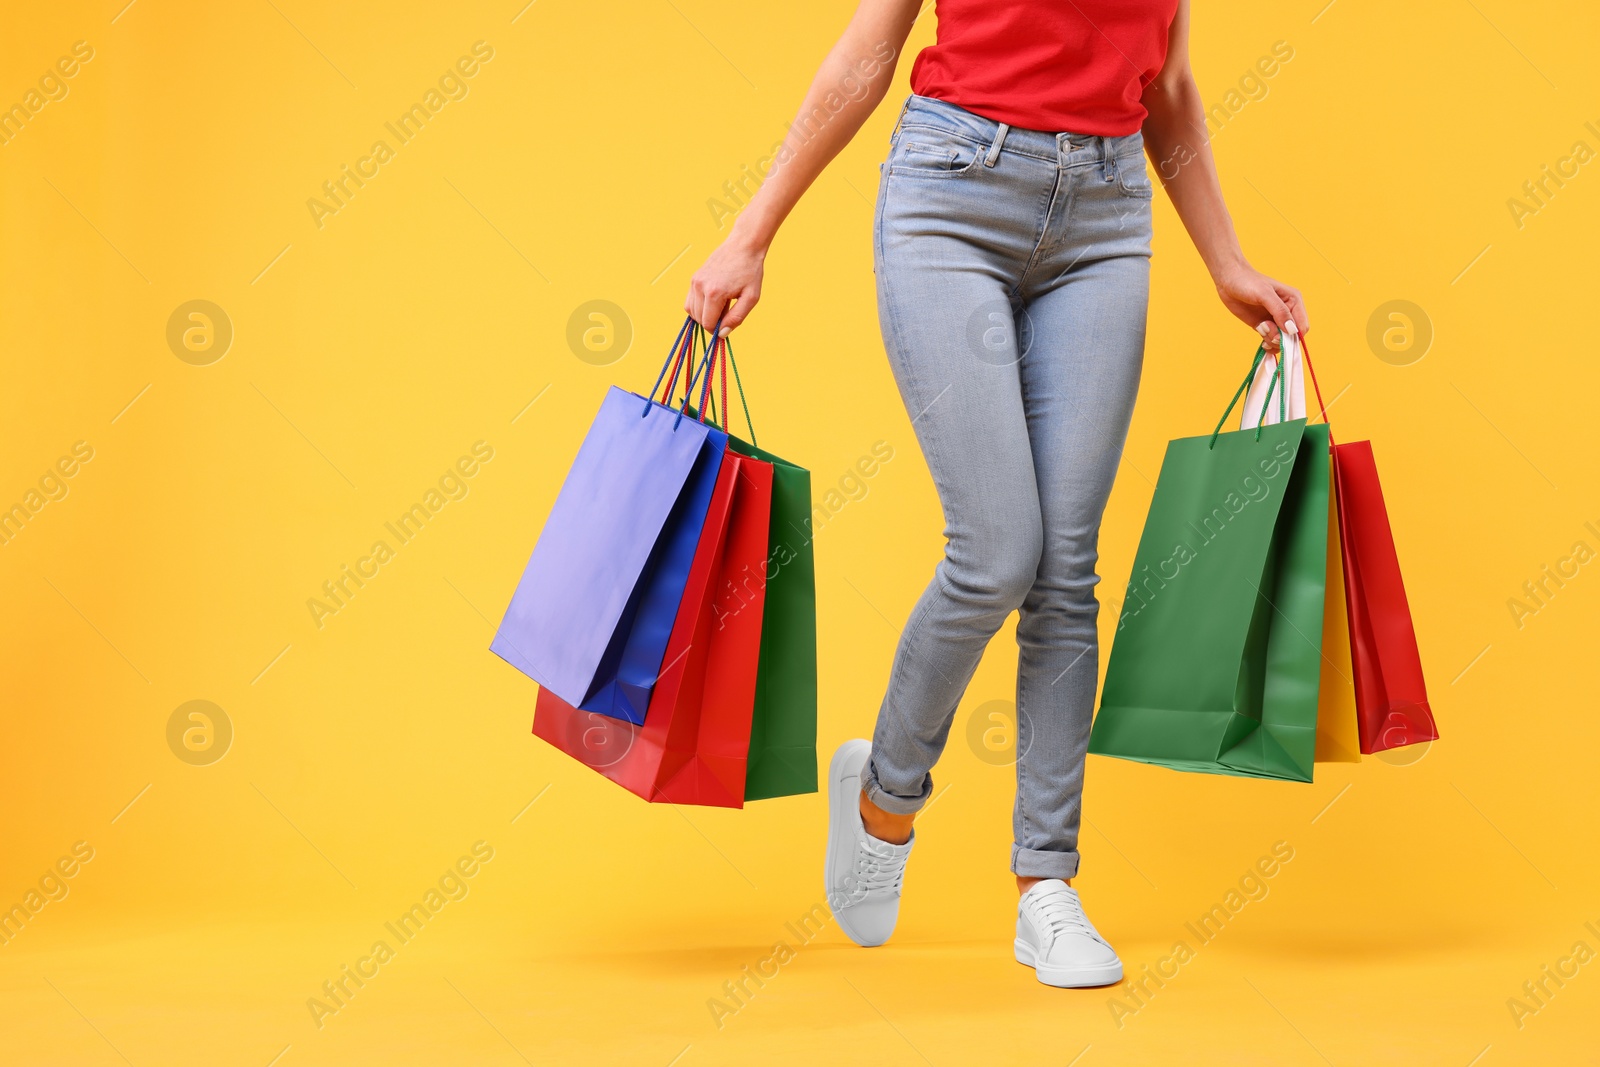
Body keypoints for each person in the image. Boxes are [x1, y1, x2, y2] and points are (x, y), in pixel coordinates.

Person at [684, 0, 1309, 988]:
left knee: (1067, 566)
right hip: (950, 195)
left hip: (1106, 216)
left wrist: (1224, 260)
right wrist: (749, 232)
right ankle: (885, 801)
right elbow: (866, 53)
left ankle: (1043, 887)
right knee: (997, 549)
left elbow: (1171, 88)